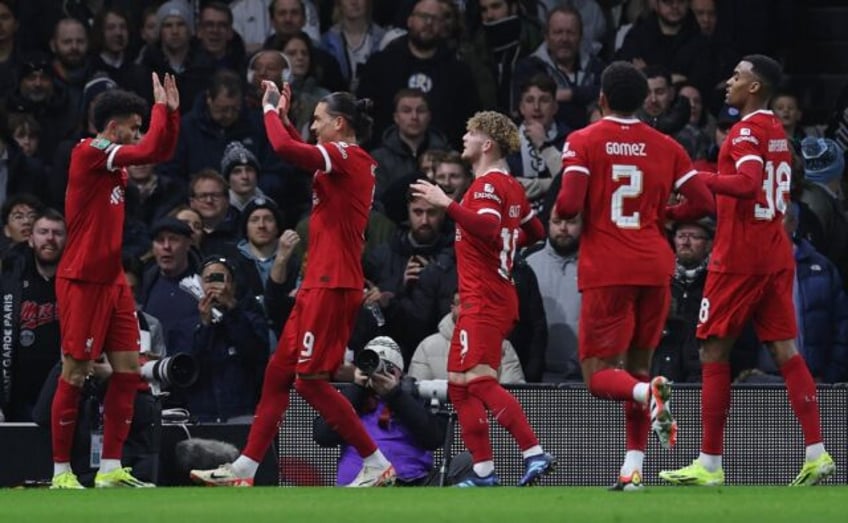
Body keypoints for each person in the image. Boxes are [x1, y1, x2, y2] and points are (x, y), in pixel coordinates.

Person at [191, 81, 395, 487]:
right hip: (318, 281)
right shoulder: (345, 158)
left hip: (332, 284)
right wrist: (284, 118)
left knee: (309, 381)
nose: (313, 127)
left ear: (339, 123)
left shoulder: (344, 154)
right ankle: (244, 469)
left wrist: (267, 110)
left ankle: (375, 461)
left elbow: (287, 151)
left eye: (317, 121)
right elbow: (298, 147)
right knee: (278, 374)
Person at [659, 55, 837, 487]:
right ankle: (817, 451)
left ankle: (710, 463)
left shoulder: (742, 133)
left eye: (737, 77)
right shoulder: (776, 130)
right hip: (775, 249)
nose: (728, 82)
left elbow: (745, 183)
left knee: (712, 352)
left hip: (739, 256)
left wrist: (697, 174)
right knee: (784, 350)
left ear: (754, 87)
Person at [555, 61, 714, 491]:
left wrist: (569, 209)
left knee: (600, 376)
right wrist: (666, 212)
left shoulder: (583, 140)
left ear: (601, 98)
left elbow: (568, 204)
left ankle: (649, 398)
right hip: (654, 265)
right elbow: (701, 201)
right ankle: (632, 469)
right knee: (639, 368)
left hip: (608, 268)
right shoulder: (667, 146)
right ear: (645, 101)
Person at [49, 73, 180, 489]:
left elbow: (157, 149)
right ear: (113, 126)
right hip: (82, 280)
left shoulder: (113, 157)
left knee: (128, 372)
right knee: (75, 372)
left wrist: (170, 115)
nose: (137, 133)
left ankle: (109, 469)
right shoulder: (90, 150)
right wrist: (159, 111)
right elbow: (147, 147)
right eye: (133, 125)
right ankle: (61, 472)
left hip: (112, 282)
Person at [410, 110, 553, 487]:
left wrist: (447, 204)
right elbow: (535, 230)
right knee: (459, 386)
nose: (464, 138)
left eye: (470, 133)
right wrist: (509, 243)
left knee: (481, 383)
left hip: (485, 299)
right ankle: (485, 472)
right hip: (489, 296)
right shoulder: (510, 185)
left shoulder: (487, 186)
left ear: (486, 143)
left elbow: (489, 226)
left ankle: (534, 452)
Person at [314, 336, 472, 486]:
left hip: (413, 481)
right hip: (358, 481)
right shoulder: (350, 399)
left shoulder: (415, 395)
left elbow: (433, 439)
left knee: (469, 461)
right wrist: (357, 389)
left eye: (387, 369)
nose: (378, 374)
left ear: (400, 373)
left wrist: (395, 395)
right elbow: (322, 436)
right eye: (372, 367)